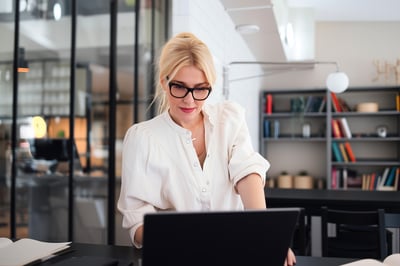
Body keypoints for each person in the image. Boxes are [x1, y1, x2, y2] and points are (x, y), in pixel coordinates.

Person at [117, 32, 296, 266]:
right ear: (163, 82)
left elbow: (247, 173)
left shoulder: (228, 118)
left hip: (234, 254)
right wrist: (183, 240)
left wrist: (267, 236)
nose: (190, 100)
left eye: (200, 89)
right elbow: (136, 219)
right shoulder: (142, 138)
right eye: (179, 87)